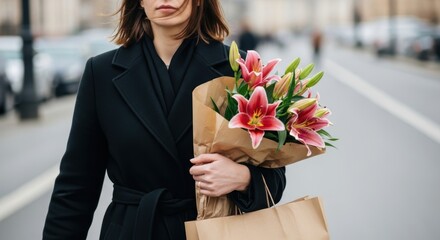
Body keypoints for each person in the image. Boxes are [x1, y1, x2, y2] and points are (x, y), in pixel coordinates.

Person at [42, 0, 286, 239]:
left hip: (212, 228)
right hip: (133, 229)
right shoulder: (102, 72)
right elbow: (76, 187)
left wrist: (243, 178)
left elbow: (275, 180)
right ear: (139, 2)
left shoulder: (240, 69)